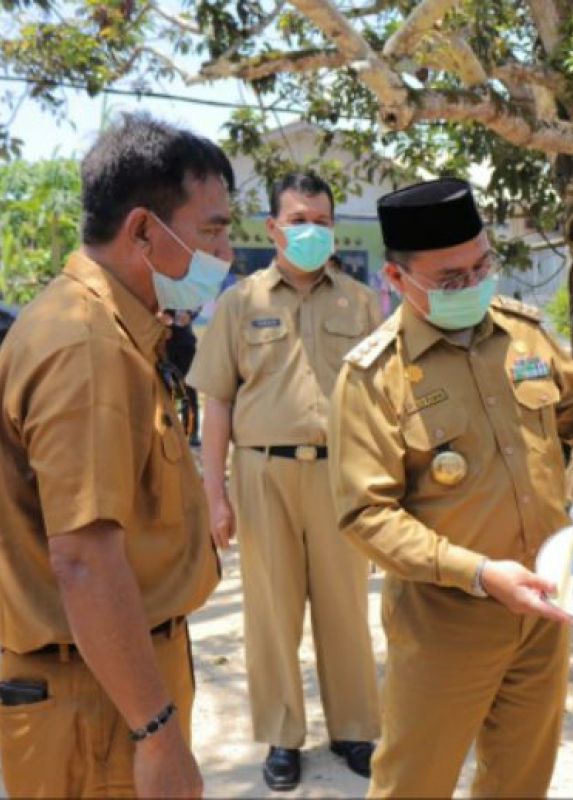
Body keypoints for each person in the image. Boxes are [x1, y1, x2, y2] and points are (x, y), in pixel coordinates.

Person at [328, 177, 573, 798]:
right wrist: (477, 572)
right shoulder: (372, 376)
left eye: (481, 265)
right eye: (450, 279)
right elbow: (367, 514)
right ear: (398, 280)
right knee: (414, 784)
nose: (472, 284)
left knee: (521, 780)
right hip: (448, 624)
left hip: (544, 610)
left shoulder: (522, 334)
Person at [0, 113, 228, 797]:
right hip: (98, 708)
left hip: (110, 685)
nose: (226, 250)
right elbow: (84, 558)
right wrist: (157, 733)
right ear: (142, 232)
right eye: (212, 228)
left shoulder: (120, 332)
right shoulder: (87, 348)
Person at [187, 171, 382, 791]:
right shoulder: (240, 302)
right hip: (262, 471)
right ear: (273, 227)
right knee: (270, 612)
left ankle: (354, 729)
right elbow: (216, 401)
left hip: (340, 475)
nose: (311, 232)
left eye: (323, 222)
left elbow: (380, 399)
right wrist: (214, 494)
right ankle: (281, 735)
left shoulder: (362, 301)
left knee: (345, 607)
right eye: (299, 221)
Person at [162, 308, 201, 445]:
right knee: (168, 389)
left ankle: (192, 432)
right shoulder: (164, 288)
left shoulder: (187, 289)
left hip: (186, 345)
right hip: (167, 344)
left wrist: (190, 314)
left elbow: (197, 304)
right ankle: (169, 430)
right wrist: (167, 316)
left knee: (189, 389)